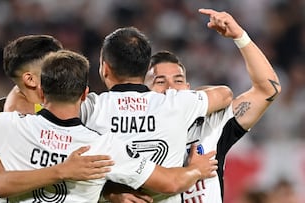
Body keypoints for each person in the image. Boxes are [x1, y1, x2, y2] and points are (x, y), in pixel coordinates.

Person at [0, 50, 219, 202]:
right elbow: (171, 183)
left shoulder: (10, 127)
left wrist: (2, 103)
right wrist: (196, 171)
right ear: (85, 94)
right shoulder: (101, 147)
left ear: (43, 90)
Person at [110, 8, 281, 203]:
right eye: (159, 82)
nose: (171, 89)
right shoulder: (129, 132)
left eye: (178, 80)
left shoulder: (211, 125)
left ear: (189, 89)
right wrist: (112, 194)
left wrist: (240, 37)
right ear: (144, 93)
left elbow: (269, 89)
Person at [0, 34, 116, 196]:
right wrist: (61, 171)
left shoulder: (11, 122)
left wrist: (111, 192)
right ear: (31, 80)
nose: (62, 70)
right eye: (53, 65)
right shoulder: (13, 124)